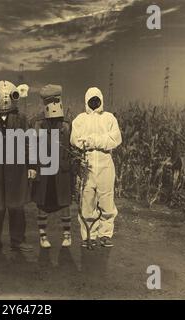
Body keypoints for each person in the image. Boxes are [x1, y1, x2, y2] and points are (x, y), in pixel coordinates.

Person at [0, 80, 36, 253]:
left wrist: (32, 165)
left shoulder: (22, 118)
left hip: (16, 170)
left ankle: (18, 240)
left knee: (17, 208)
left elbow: (29, 143)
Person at [70, 87, 122, 248]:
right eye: (91, 99)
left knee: (106, 199)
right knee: (87, 200)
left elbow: (115, 139)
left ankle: (105, 234)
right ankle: (89, 236)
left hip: (106, 162)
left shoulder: (109, 118)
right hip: (87, 163)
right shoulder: (80, 119)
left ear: (101, 100)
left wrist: (92, 140)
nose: (94, 102)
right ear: (86, 101)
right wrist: (98, 140)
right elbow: (75, 140)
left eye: (96, 99)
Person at [31, 84, 73, 248]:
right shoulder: (38, 123)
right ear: (44, 102)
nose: (53, 103)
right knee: (43, 202)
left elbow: (71, 147)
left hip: (62, 169)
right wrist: (33, 167)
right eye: (49, 100)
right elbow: (32, 146)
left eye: (55, 99)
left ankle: (67, 234)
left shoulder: (66, 124)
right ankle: (43, 236)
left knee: (64, 202)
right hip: (44, 168)